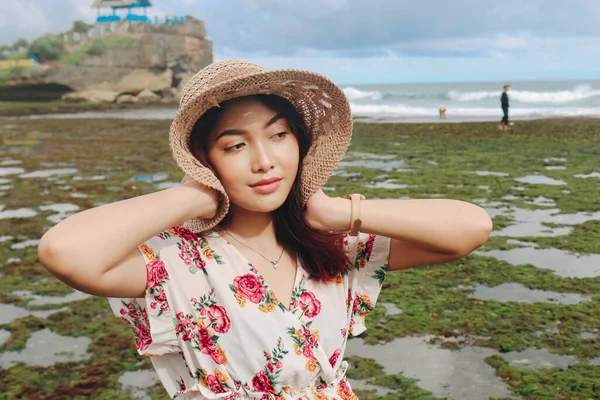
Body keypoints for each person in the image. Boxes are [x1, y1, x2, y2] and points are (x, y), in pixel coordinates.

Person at [37, 60, 493, 399]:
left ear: (300, 141)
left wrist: (337, 213)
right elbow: (64, 251)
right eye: (235, 145)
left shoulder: (334, 247)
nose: (264, 161)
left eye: (278, 136)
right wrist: (192, 198)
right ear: (204, 160)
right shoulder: (178, 264)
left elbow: (471, 227)